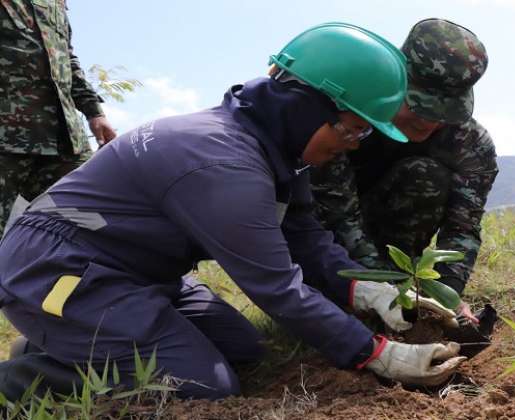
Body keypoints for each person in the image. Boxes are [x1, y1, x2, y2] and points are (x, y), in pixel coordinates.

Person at [0, 22, 465, 401]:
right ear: (307, 107)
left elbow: (305, 238)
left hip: (137, 272)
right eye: (351, 130)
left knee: (244, 348)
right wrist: (376, 353)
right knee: (205, 385)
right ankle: (24, 379)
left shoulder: (276, 149)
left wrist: (366, 290)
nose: (350, 145)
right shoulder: (223, 163)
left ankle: (72, 342)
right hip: (58, 270)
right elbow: (278, 288)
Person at [311, 18, 499, 324]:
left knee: (426, 176)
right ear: (393, 80)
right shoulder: (347, 115)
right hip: (325, 248)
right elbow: (338, 216)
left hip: (396, 249)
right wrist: (390, 291)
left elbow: (462, 228)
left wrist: (443, 296)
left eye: (443, 113)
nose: (428, 122)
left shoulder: (469, 143)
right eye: (418, 105)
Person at [0, 0, 117, 234]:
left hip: (62, 139)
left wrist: (94, 111)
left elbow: (67, 59)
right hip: (5, 138)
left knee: (97, 217)